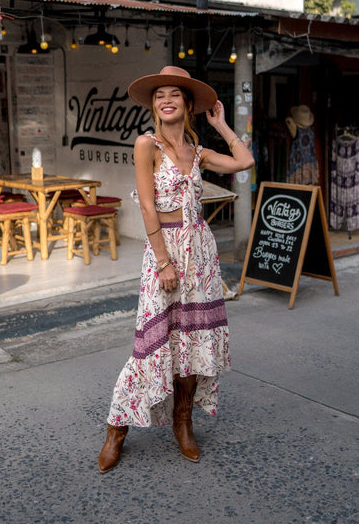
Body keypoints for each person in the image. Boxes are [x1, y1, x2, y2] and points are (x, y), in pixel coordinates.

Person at [98, 66, 255, 473]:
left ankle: (183, 423)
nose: (166, 99)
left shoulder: (198, 152)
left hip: (200, 255)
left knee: (190, 344)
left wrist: (221, 124)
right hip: (164, 252)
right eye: (160, 95)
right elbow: (148, 205)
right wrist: (164, 261)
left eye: (175, 95)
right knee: (150, 343)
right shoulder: (145, 144)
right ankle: (117, 429)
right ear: (154, 104)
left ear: (187, 104)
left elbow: (245, 161)